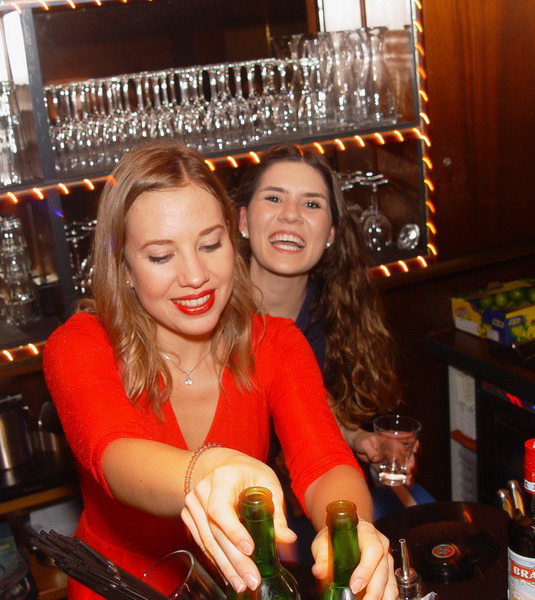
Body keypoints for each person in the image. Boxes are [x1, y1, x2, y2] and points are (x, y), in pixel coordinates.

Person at [42, 142, 397, 600]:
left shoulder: (277, 343)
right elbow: (113, 456)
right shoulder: (81, 344)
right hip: (120, 589)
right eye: (161, 256)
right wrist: (205, 470)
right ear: (124, 266)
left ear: (233, 239)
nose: (195, 276)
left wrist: (350, 526)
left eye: (210, 244)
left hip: (234, 587)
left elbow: (324, 462)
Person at [233, 144, 434, 529]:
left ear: (330, 234)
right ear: (243, 220)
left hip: (303, 499)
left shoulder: (332, 316)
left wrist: (359, 441)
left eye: (311, 204)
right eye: (274, 198)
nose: (291, 215)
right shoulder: (207, 315)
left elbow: (305, 407)